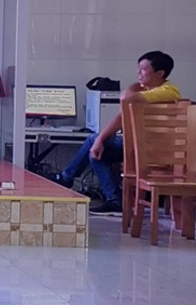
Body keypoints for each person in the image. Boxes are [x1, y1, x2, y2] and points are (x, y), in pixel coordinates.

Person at [59, 51, 180, 212]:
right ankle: (114, 200)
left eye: (143, 69)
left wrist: (134, 86)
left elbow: (124, 98)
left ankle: (66, 178)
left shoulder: (167, 91)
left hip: (153, 149)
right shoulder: (148, 92)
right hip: (140, 146)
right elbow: (122, 116)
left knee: (93, 142)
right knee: (96, 152)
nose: (138, 72)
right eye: (138, 68)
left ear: (160, 73)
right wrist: (99, 141)